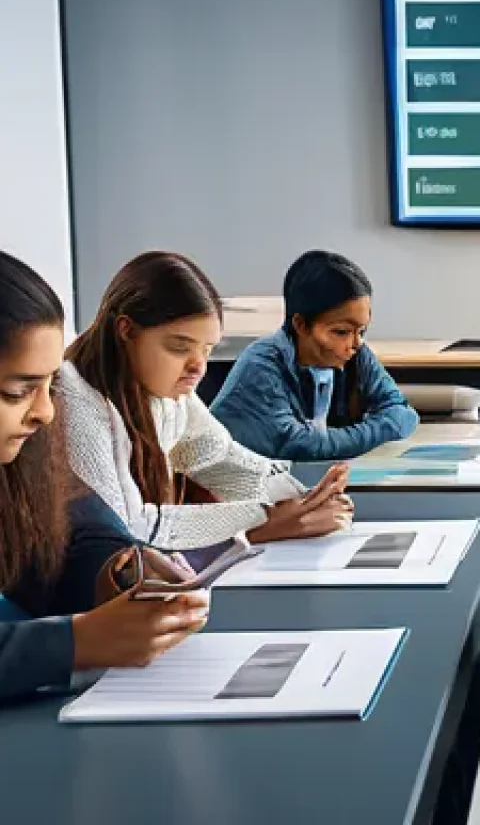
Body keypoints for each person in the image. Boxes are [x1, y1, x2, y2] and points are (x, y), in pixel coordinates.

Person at [0, 251, 208, 704]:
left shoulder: (22, 452)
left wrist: (118, 566)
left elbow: (76, 521)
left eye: (49, 386)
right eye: (17, 392)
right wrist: (77, 643)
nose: (46, 412)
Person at [59, 252, 353, 551]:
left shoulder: (164, 394)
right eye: (178, 347)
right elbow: (124, 528)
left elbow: (216, 457)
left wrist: (303, 500)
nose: (198, 367)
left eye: (207, 350)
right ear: (127, 331)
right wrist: (266, 518)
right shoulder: (76, 404)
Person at [210, 250, 418, 461]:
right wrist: (379, 427)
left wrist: (333, 440)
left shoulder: (355, 352)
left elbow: (404, 415)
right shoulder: (261, 366)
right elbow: (300, 446)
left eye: (362, 331)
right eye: (341, 332)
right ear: (300, 325)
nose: (356, 343)